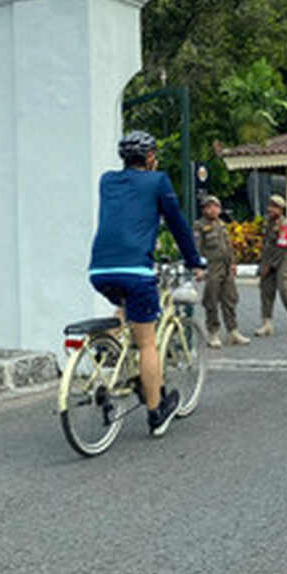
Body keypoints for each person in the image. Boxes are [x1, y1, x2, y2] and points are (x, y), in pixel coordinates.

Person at [88, 131, 207, 437]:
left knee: (124, 310)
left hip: (100, 269)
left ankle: (110, 357)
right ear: (151, 157)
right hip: (135, 271)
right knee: (147, 342)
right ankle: (156, 412)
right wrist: (194, 259)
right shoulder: (157, 182)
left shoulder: (107, 181)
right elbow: (178, 225)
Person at [193, 195, 250, 349]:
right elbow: (196, 248)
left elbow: (228, 246)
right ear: (204, 209)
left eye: (216, 206)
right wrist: (197, 268)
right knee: (211, 301)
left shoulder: (221, 224)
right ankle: (213, 333)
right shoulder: (199, 226)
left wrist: (232, 263)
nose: (213, 209)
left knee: (230, 300)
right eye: (209, 206)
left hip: (225, 267)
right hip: (212, 268)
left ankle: (233, 331)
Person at [254, 194, 287, 337]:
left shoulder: (284, 225)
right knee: (266, 291)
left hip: (283, 259)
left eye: (275, 207)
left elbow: (282, 247)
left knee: (284, 289)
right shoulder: (267, 223)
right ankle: (267, 323)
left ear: (281, 210)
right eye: (270, 206)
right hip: (269, 259)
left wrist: (269, 265)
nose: (271, 209)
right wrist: (264, 264)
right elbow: (266, 245)